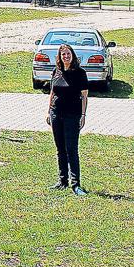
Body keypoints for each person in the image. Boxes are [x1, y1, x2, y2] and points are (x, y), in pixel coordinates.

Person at [46, 44, 90, 196]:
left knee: (72, 149)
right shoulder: (56, 71)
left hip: (72, 115)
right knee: (60, 149)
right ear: (59, 56)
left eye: (68, 53)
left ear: (72, 55)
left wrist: (83, 115)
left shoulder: (80, 73)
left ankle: (76, 184)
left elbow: (84, 95)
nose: (66, 56)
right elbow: (52, 92)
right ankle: (62, 181)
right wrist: (48, 112)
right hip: (56, 114)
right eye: (63, 54)